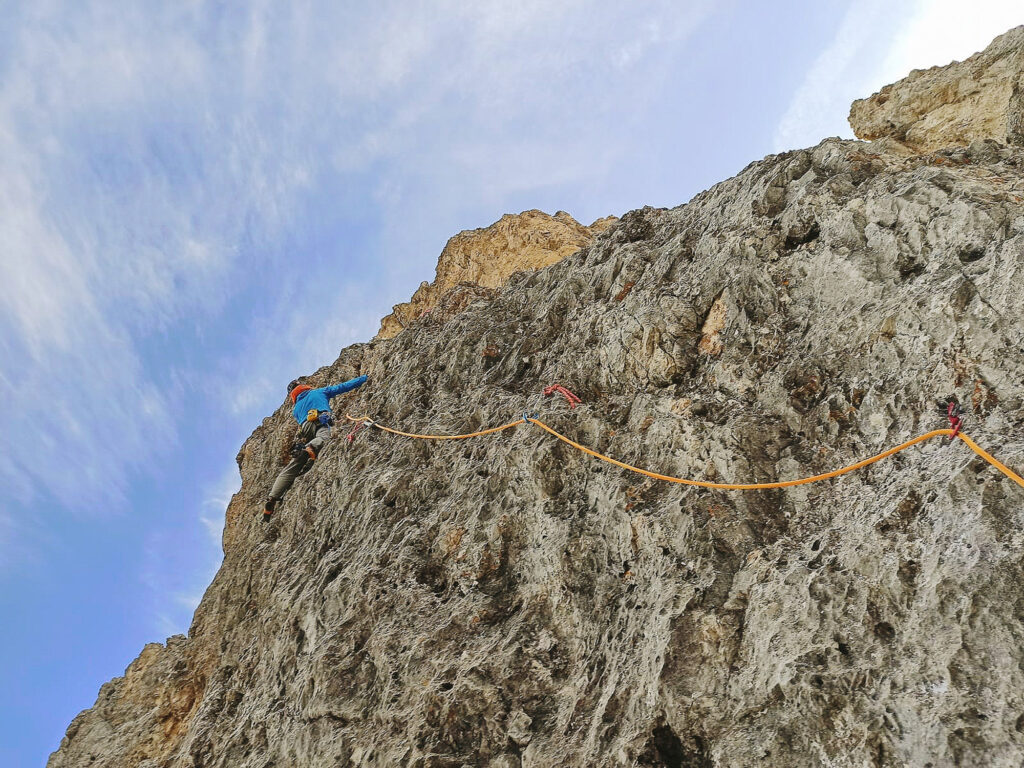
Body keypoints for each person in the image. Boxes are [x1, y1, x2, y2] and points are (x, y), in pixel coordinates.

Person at [262, 374, 368, 522]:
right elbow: (343, 387)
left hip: (305, 427)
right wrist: (364, 378)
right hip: (320, 419)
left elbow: (302, 421)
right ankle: (311, 447)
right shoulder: (318, 392)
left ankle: (272, 497)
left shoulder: (295, 409)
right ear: (303, 386)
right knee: (323, 437)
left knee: (294, 464)